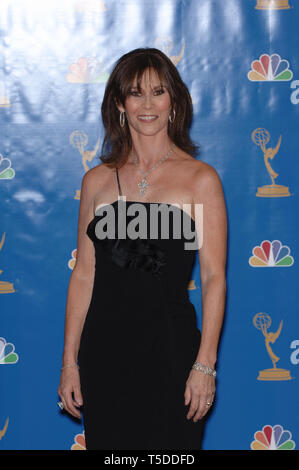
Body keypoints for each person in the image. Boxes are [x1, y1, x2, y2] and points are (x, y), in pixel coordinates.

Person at [57, 47, 227, 450]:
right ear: (120, 104)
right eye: (135, 93)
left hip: (171, 353)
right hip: (105, 355)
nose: (147, 104)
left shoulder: (200, 180)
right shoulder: (96, 181)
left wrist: (205, 364)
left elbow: (214, 279)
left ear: (174, 102)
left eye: (158, 92)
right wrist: (69, 362)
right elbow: (84, 274)